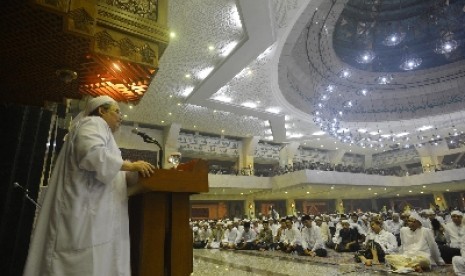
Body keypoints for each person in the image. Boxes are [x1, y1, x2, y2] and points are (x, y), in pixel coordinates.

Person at [23, 96, 155, 276]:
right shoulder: (93, 123)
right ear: (101, 111)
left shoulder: (104, 133)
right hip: (84, 217)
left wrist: (132, 172)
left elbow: (109, 169)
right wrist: (131, 166)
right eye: (117, 111)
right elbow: (92, 154)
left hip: (97, 218)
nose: (120, 117)